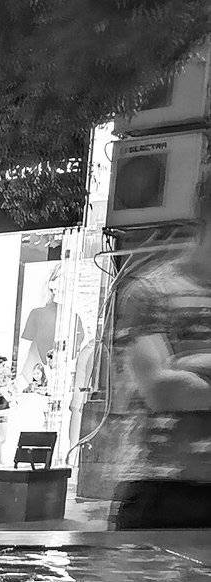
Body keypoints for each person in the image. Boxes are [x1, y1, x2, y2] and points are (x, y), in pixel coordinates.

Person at [112, 170, 211, 529]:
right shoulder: (153, 291)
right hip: (162, 489)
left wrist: (191, 364)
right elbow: (162, 390)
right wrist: (177, 378)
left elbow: (181, 385)